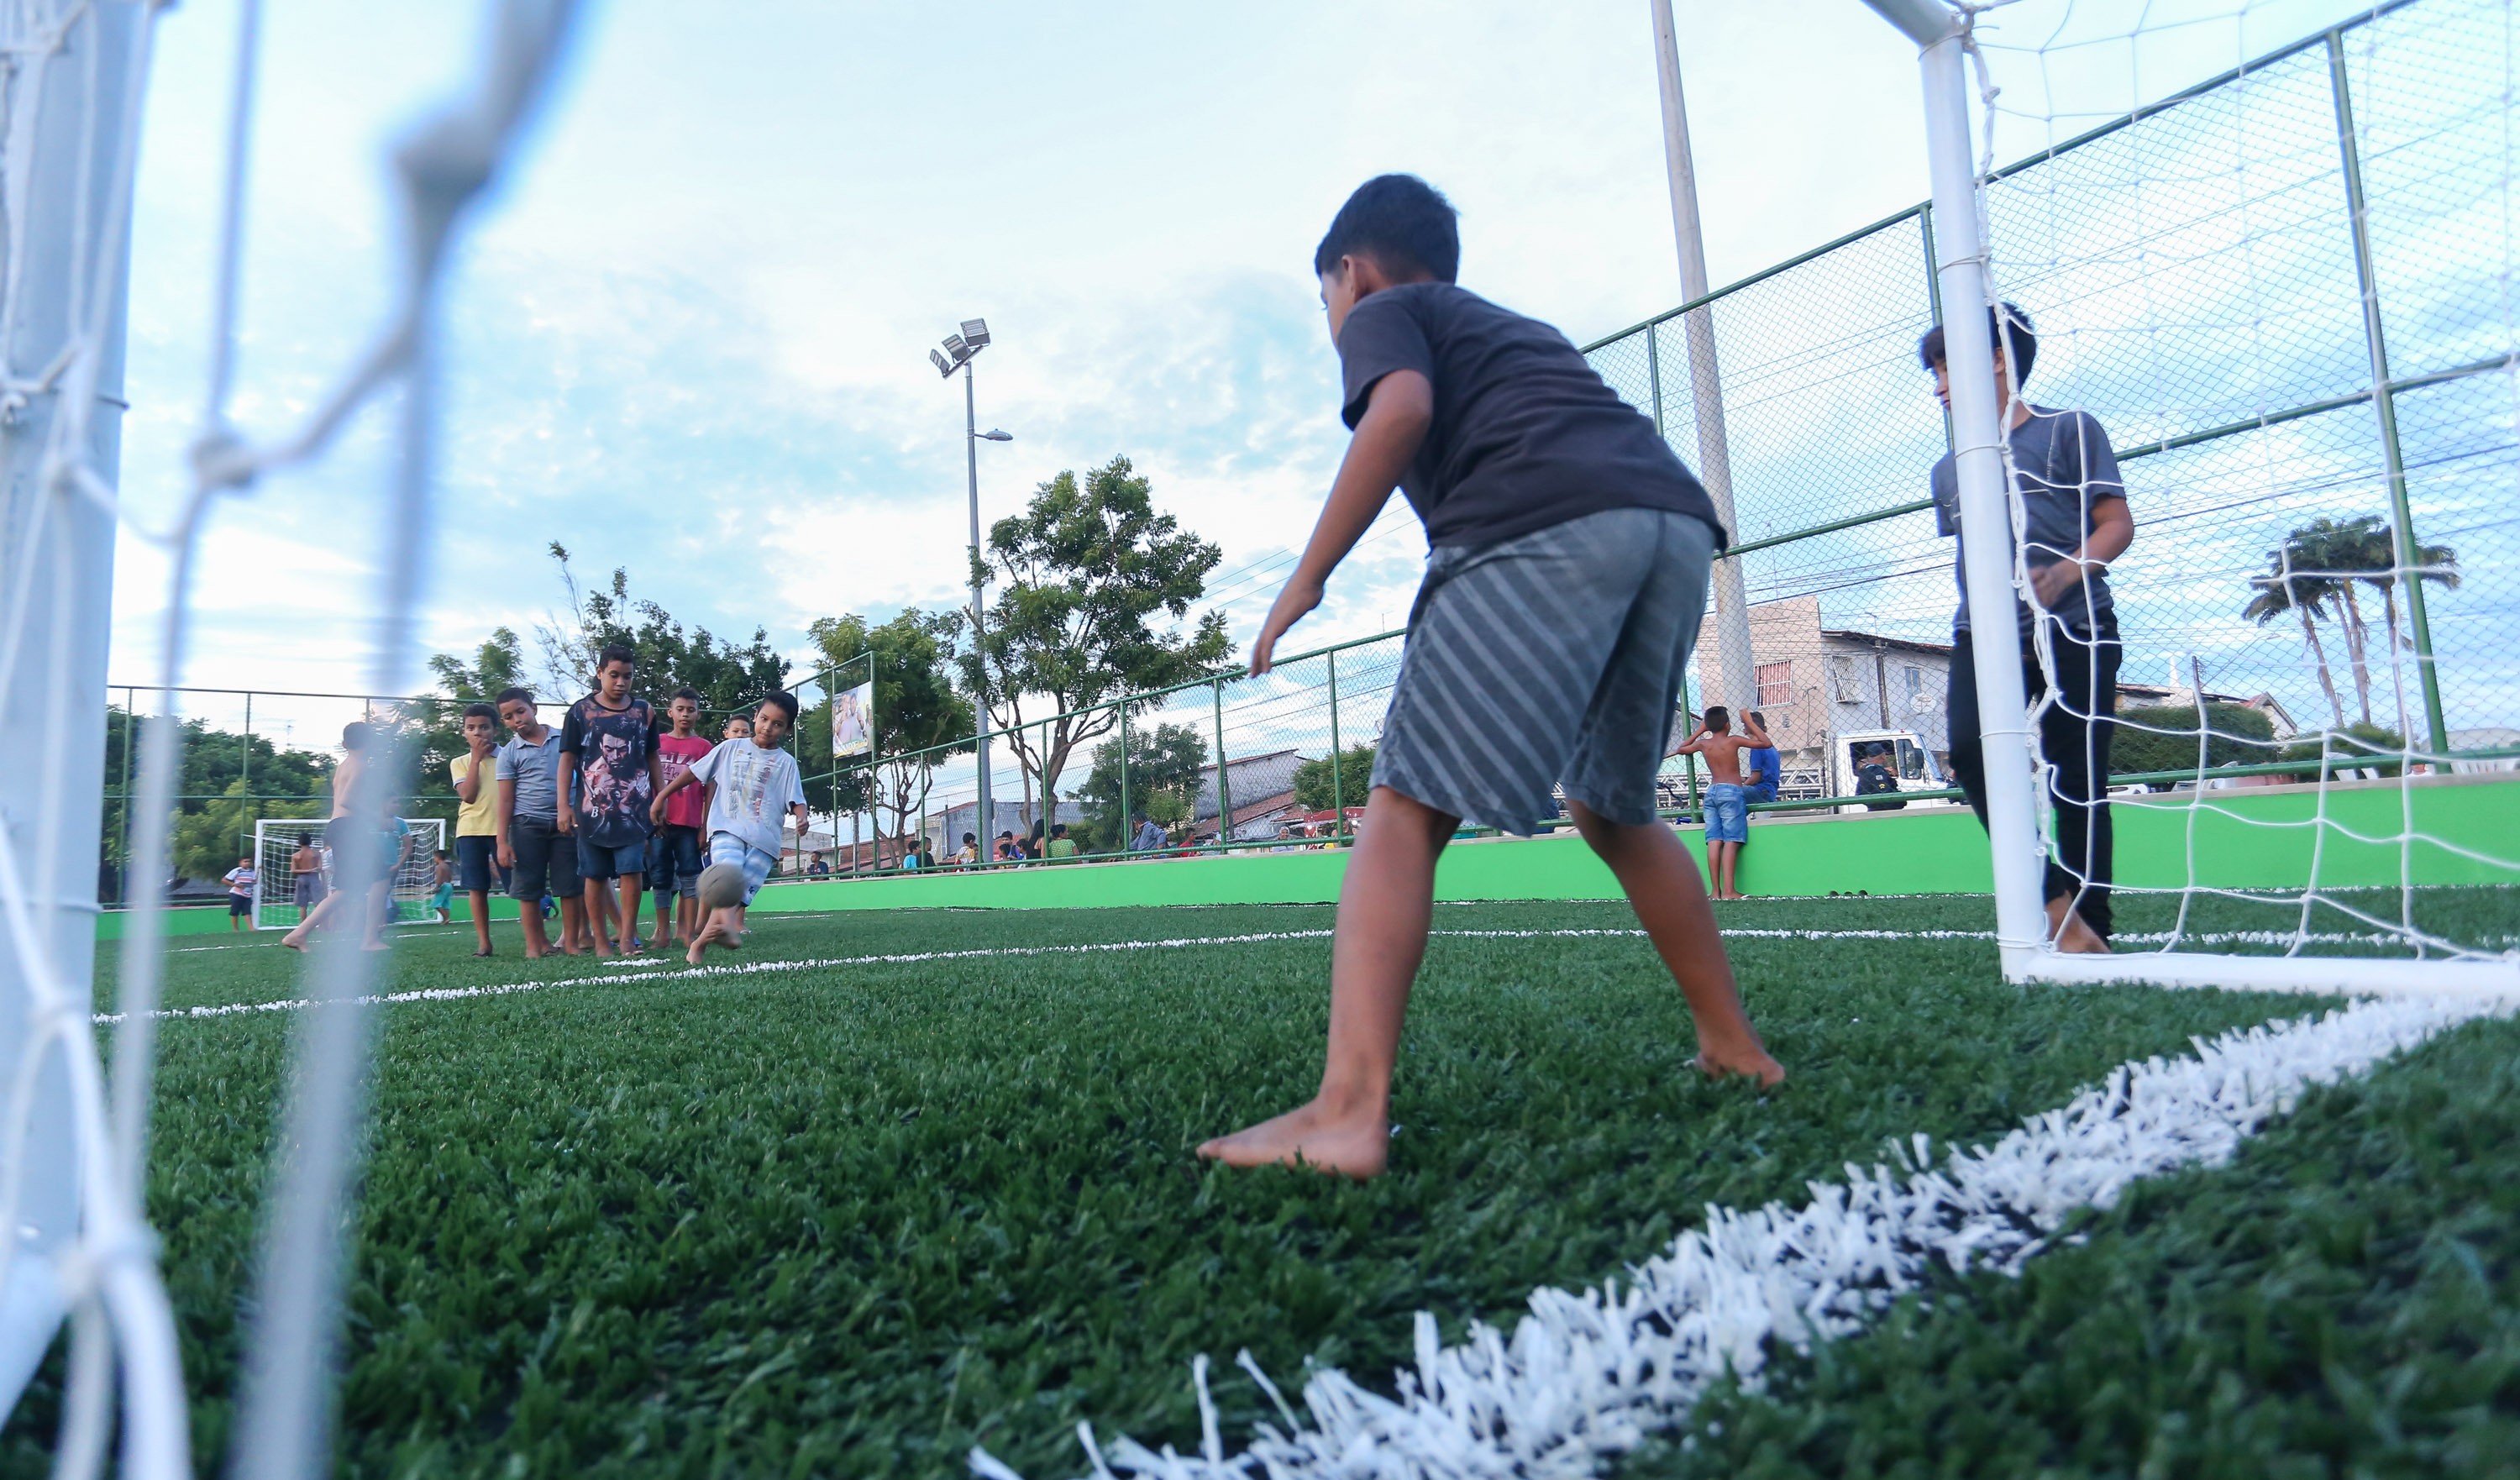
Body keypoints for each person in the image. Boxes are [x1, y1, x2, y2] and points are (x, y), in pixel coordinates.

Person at [1199, 175, 1781, 1178]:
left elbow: (1401, 411)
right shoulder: (1514, 327)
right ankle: (1736, 1048)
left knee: (1401, 806)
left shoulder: (1384, 309)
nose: (1334, 317)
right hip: (1674, 530)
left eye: (1326, 297)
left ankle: (1346, 1110)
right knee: (1617, 811)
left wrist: (1309, 575)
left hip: (1537, 525)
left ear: (1353, 269)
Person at [1922, 302, 2130, 954]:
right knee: (1971, 750)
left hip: (2075, 626)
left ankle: (2091, 929)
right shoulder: (1947, 470)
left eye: (1948, 364)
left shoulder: (2070, 430)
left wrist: (2066, 575)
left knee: (2077, 780)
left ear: (1997, 359)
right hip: (1981, 636)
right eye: (1933, 372)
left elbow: (2116, 525)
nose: (1939, 385)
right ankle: (2051, 900)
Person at [653, 691, 808, 965]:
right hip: (727, 830)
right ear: (756, 716)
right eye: (764, 719)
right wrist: (662, 795)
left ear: (787, 729)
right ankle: (721, 931)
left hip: (765, 842)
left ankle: (700, 944)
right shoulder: (730, 749)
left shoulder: (786, 763)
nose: (767, 728)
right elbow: (694, 773)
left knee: (734, 896)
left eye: (777, 724)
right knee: (728, 877)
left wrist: (801, 817)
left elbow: (796, 799)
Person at [494, 686, 580, 959]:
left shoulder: (563, 740)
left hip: (564, 824)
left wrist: (573, 810)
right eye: (508, 717)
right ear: (504, 722)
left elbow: (582, 778)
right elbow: (505, 800)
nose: (517, 719)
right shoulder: (509, 753)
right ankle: (536, 945)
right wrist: (501, 841)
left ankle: (571, 943)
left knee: (569, 886)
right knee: (528, 887)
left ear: (534, 708)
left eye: (520, 711)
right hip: (527, 825)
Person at [1672, 706, 1772, 900]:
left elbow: (1681, 749)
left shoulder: (1704, 744)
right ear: (1727, 724)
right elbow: (1765, 743)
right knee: (1731, 840)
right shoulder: (1733, 741)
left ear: (1709, 726)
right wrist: (1750, 722)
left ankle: (1715, 892)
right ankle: (1729, 891)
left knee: (1714, 840)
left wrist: (1701, 730)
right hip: (1731, 792)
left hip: (1712, 793)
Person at [648, 688, 711, 948]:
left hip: (688, 823)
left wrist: (704, 827)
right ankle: (662, 932)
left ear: (698, 714)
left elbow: (710, 790)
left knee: (690, 876)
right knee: (660, 878)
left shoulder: (704, 747)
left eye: (691, 710)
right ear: (670, 712)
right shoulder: (657, 742)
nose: (685, 714)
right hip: (659, 823)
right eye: (681, 709)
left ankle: (686, 932)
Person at [450, 701, 503, 957]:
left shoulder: (509, 756)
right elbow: (468, 795)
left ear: (495, 729)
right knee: (477, 887)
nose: (478, 732)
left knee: (521, 885)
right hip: (470, 832)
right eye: (471, 728)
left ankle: (535, 940)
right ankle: (484, 942)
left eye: (484, 727)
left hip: (504, 831)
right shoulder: (459, 763)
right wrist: (476, 760)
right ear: (464, 732)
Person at [1852, 743, 1904, 811]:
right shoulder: (1878, 773)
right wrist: (1901, 801)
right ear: (1883, 756)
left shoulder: (1865, 771)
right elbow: (1885, 797)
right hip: (1882, 812)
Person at [289, 833, 326, 920]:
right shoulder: (316, 854)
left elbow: (293, 870)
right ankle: (319, 923)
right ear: (310, 841)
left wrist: (306, 871)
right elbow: (320, 868)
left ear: (299, 843)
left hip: (301, 879)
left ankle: (303, 924)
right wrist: (311, 871)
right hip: (314, 878)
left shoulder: (296, 855)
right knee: (318, 903)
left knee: (303, 904)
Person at [223, 856, 255, 932]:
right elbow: (224, 880)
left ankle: (251, 928)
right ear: (240, 863)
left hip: (247, 894)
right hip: (237, 893)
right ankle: (236, 929)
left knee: (247, 911)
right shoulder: (237, 870)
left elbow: (253, 881)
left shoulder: (252, 871)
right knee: (235, 911)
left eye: (249, 862)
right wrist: (236, 885)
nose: (247, 863)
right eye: (245, 861)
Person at [428, 850, 455, 924]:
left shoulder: (439, 866)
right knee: (446, 904)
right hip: (449, 885)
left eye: (434, 857)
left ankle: (446, 918)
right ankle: (446, 919)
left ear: (438, 857)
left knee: (436, 904)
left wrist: (437, 887)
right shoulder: (446, 865)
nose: (434, 859)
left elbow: (439, 877)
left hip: (443, 886)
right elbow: (450, 876)